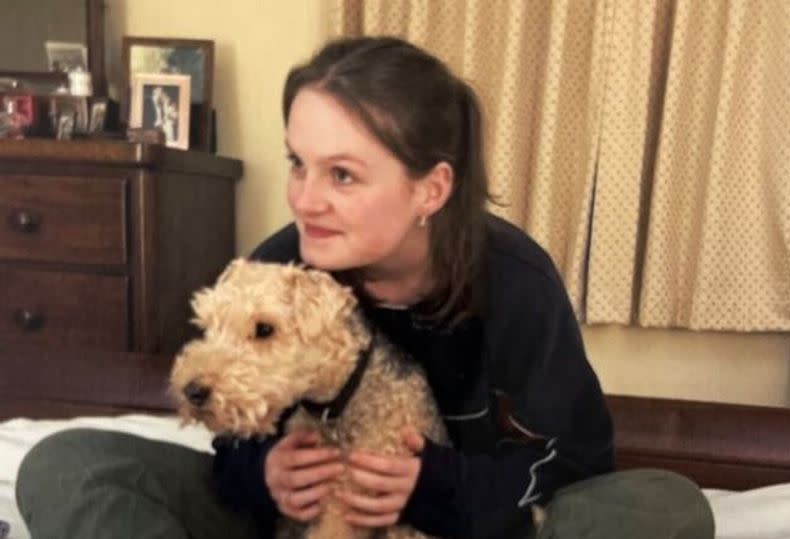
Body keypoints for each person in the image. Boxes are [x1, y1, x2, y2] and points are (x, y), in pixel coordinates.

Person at [15, 36, 714, 539]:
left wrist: (437, 485)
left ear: (431, 188)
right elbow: (231, 435)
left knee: (670, 506)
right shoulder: (283, 267)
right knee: (64, 465)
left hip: (464, 524)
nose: (305, 199)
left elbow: (580, 461)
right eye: (299, 163)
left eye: (342, 174)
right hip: (305, 518)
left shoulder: (515, 282)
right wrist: (266, 474)